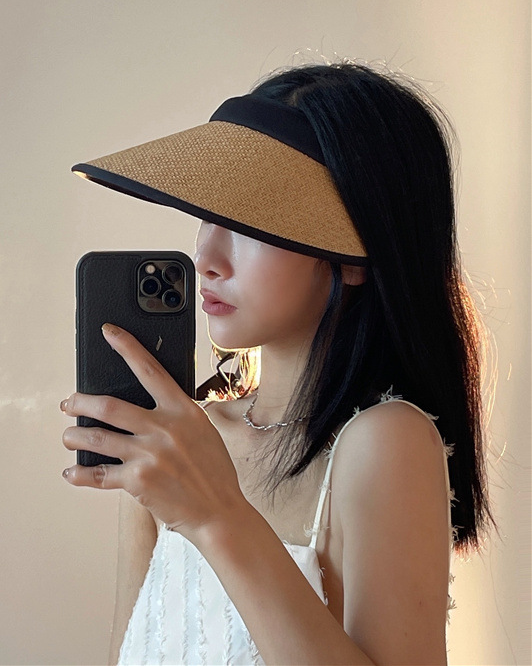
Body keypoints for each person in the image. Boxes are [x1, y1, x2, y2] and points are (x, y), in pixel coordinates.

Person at [61, 61, 494, 665]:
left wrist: (216, 515)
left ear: (354, 257)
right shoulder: (180, 442)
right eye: (209, 215)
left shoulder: (383, 442)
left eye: (249, 223)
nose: (207, 257)